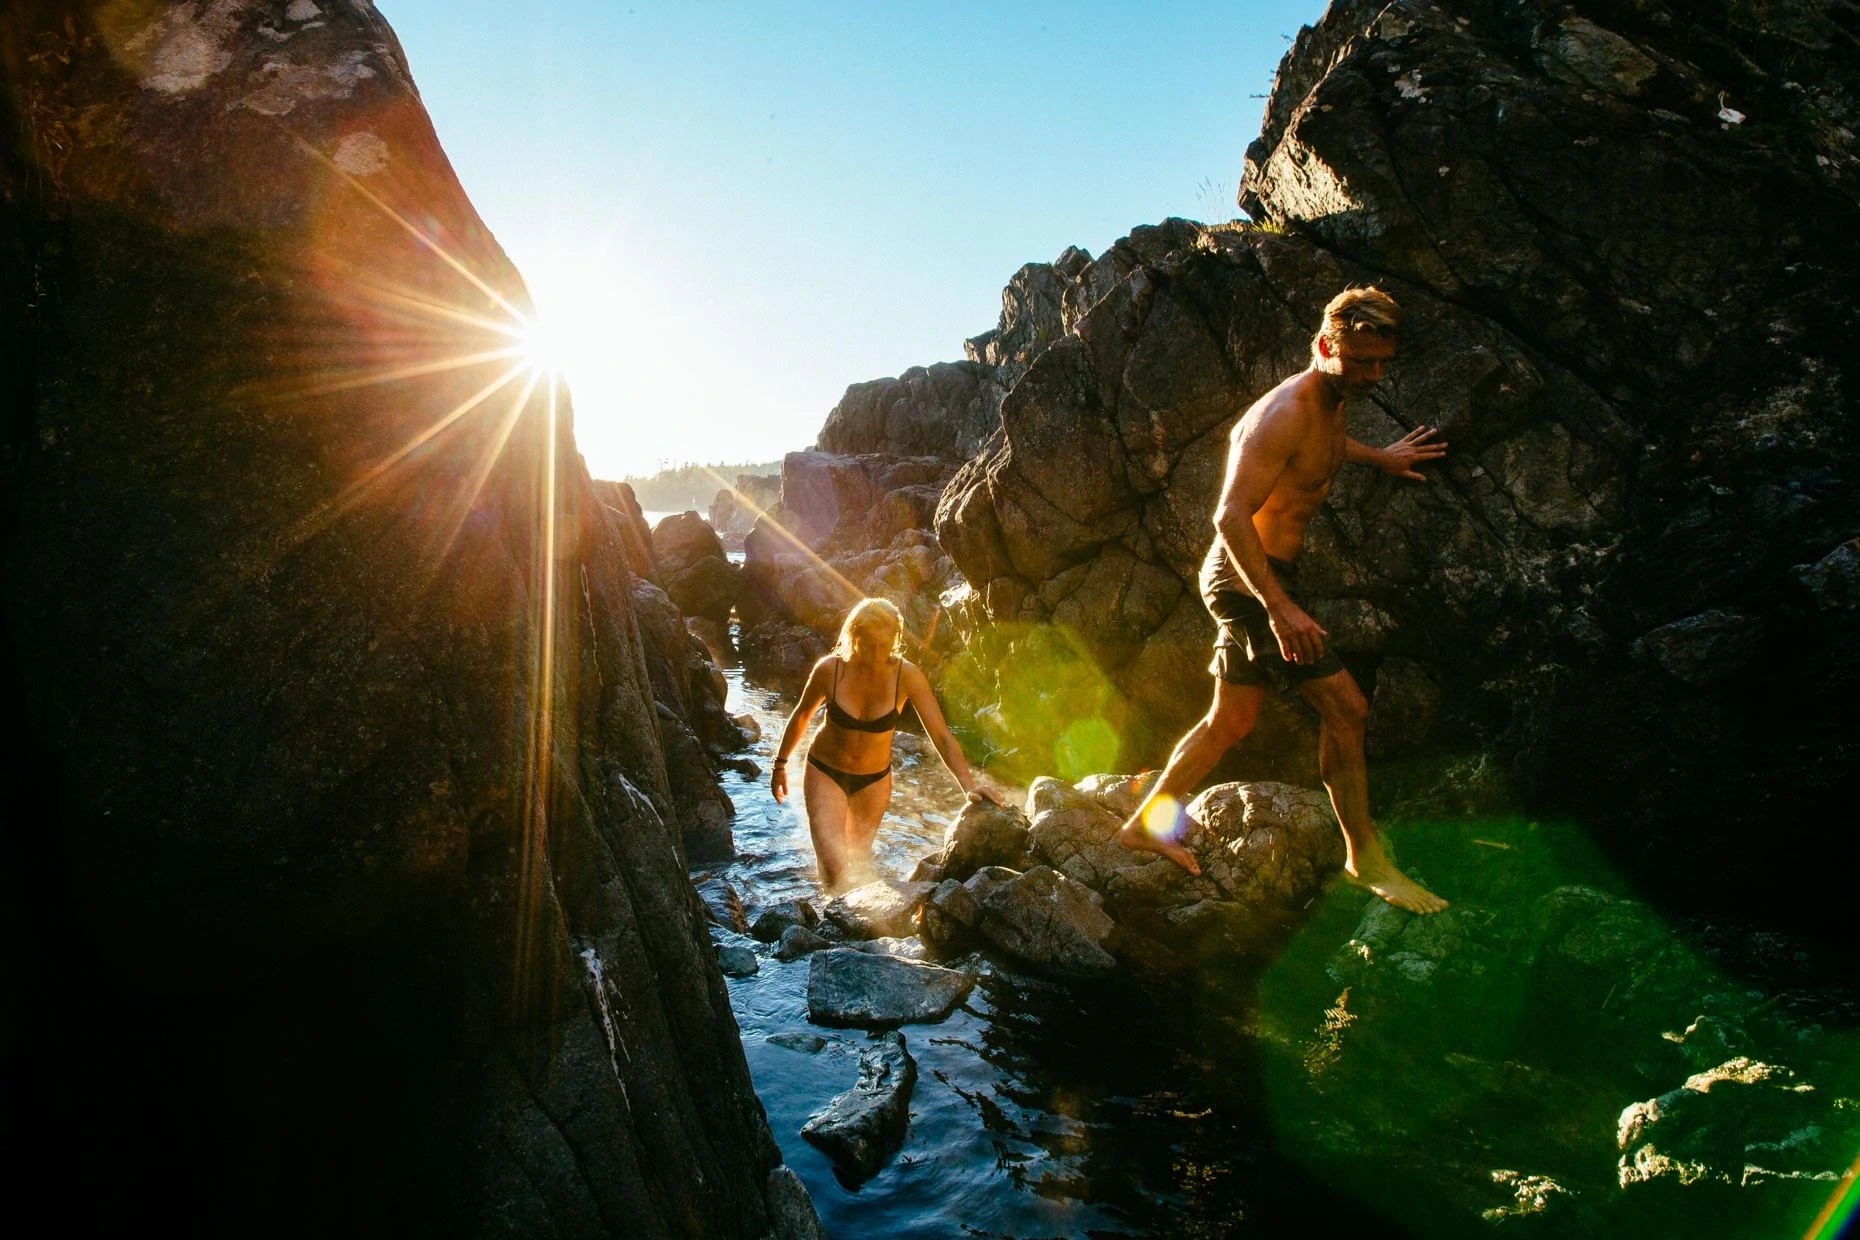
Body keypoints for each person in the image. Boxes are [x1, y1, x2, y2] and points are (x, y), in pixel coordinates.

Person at [1115, 286, 1450, 915]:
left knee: (1231, 721)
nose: (1373, 376)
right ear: (1326, 346)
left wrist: (1382, 457)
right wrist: (1277, 607)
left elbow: (1323, 450)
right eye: (1361, 362)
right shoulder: (1286, 412)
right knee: (1347, 709)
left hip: (1262, 580)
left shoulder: (1334, 398)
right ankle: (1364, 858)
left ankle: (1143, 823)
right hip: (1247, 583)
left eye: (1382, 363)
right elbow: (1229, 515)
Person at [771, 597, 994, 890]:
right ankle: (829, 924)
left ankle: (856, 927)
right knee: (833, 866)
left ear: (895, 640)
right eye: (868, 645)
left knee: (859, 864)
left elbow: (940, 734)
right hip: (825, 771)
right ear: (854, 636)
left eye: (884, 645)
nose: (876, 654)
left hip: (873, 781)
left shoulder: (907, 676)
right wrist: (780, 764)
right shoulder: (830, 669)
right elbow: (801, 716)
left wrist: (968, 784)